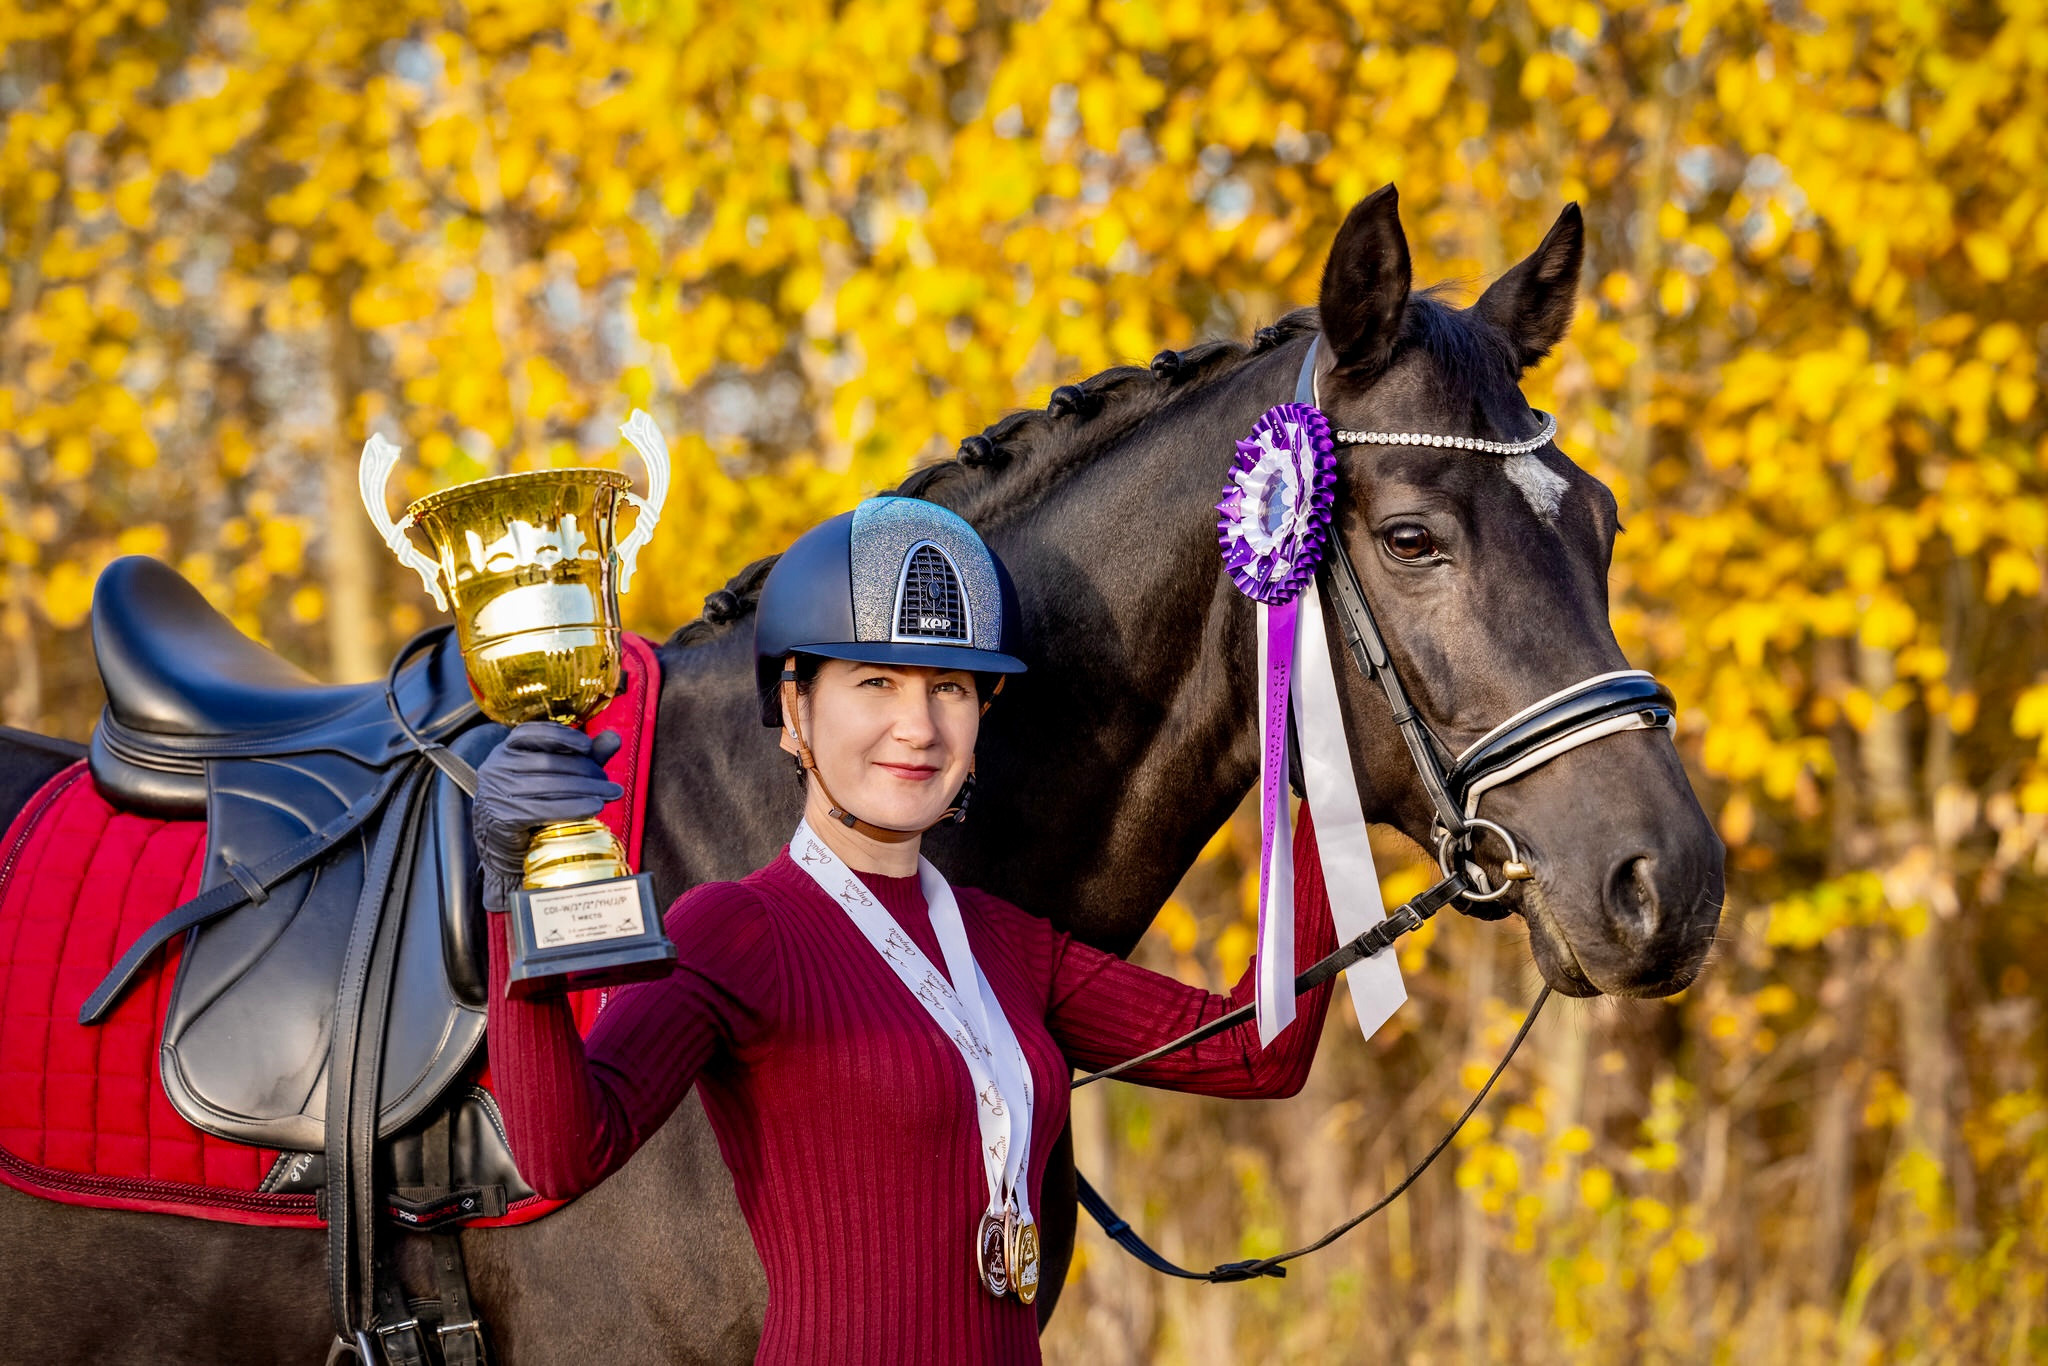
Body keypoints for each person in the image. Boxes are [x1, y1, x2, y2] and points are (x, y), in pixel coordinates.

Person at [473, 495, 1338, 1365]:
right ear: (797, 707)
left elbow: (1257, 1052)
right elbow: (562, 1152)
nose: (919, 727)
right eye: (876, 680)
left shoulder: (1005, 942)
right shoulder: (736, 932)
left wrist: (1330, 797)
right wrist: (514, 889)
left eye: (950, 687)